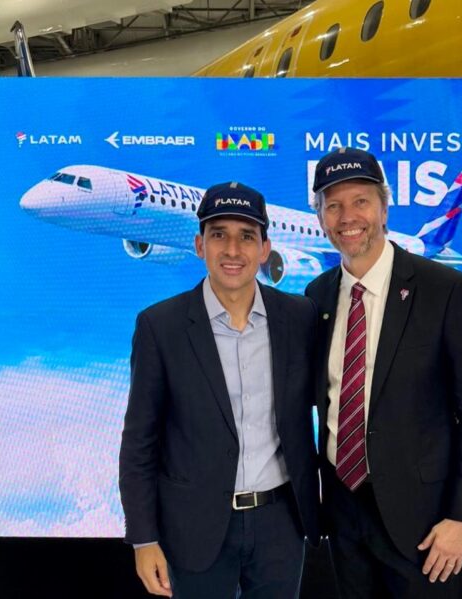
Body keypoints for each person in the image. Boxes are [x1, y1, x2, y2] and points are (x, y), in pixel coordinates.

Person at [305, 148, 462, 598]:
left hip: (424, 523)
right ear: (320, 217)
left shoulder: (445, 290)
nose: (347, 217)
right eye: (333, 206)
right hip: (344, 514)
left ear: (384, 208)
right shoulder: (317, 297)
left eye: (360, 202)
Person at [119, 182, 319, 598]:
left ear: (264, 249)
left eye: (246, 236)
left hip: (280, 524)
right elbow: (140, 442)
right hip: (194, 525)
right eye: (218, 235)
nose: (232, 250)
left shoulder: (299, 318)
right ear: (199, 245)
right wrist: (143, 539)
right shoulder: (160, 326)